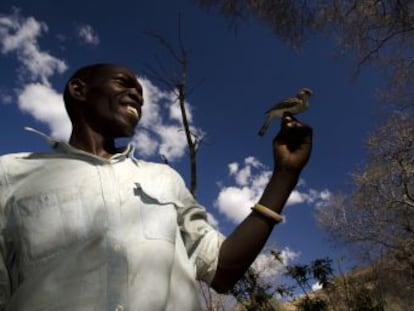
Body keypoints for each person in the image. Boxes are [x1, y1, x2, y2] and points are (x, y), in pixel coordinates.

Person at [0, 64, 312, 310]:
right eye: (125, 83)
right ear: (79, 89)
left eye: (142, 93)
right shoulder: (10, 174)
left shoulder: (164, 178)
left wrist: (284, 176)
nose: (138, 94)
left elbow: (222, 271)